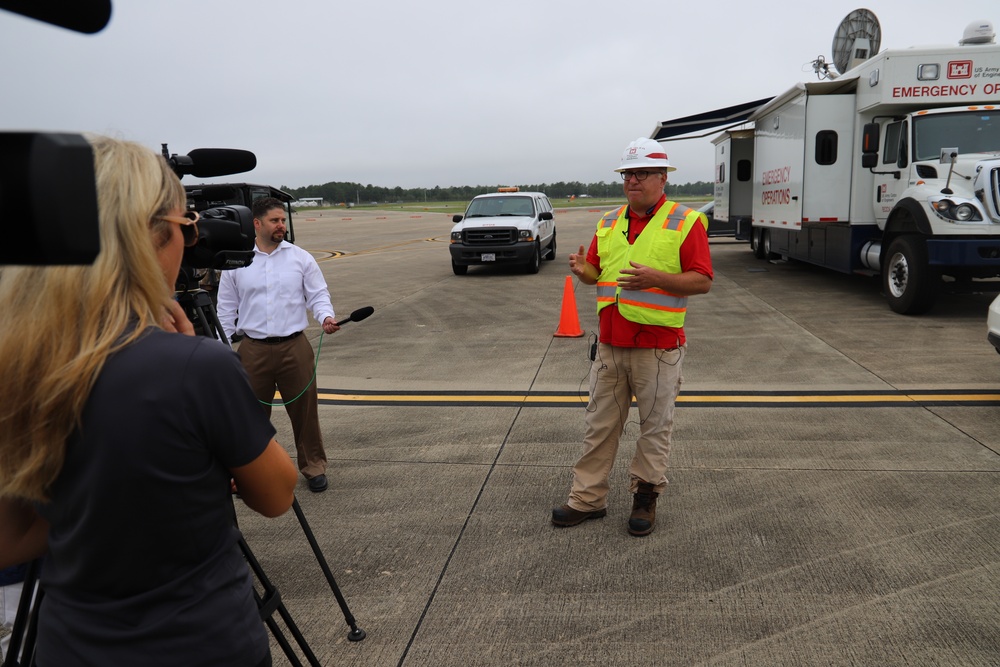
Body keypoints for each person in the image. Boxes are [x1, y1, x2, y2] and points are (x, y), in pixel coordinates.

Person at [0, 135, 299, 667]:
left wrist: (90, 509)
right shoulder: (196, 368)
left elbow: (10, 539)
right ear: (151, 237)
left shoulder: (18, 364)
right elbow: (275, 495)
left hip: (70, 646)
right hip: (201, 643)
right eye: (188, 228)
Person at [552, 137, 714, 537]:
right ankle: (587, 500)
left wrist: (658, 278)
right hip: (610, 344)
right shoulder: (608, 222)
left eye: (641, 173)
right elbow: (598, 274)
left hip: (658, 349)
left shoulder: (685, 221)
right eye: (628, 174)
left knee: (654, 428)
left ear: (663, 178)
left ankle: (645, 498)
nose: (632, 180)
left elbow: (703, 280)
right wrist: (583, 270)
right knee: (599, 425)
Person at [217, 197, 339, 493]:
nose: (281, 225)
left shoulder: (300, 258)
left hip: (294, 347)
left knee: (305, 412)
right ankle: (252, 473)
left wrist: (325, 316)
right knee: (249, 416)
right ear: (256, 224)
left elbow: (317, 294)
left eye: (282, 220)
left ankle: (313, 467)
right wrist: (222, 346)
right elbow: (225, 307)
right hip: (252, 349)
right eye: (275, 221)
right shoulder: (237, 262)